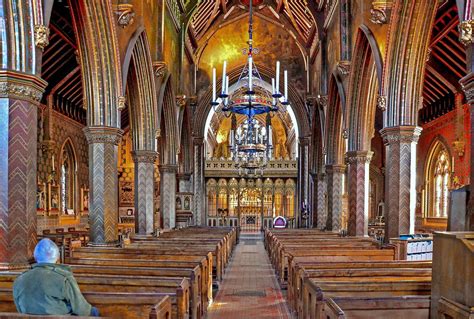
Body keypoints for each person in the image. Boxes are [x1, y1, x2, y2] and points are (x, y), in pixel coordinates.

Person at [13, 238, 99, 316]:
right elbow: (82, 310)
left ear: (35, 257)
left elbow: (19, 309)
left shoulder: (19, 280)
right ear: (57, 257)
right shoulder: (64, 278)